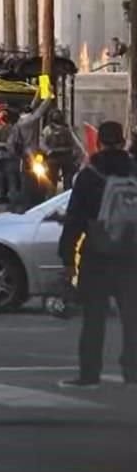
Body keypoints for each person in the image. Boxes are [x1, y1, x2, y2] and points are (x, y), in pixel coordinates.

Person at [58, 121, 137, 389]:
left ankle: (89, 373)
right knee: (132, 318)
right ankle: (132, 371)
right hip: (131, 255)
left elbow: (75, 220)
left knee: (94, 318)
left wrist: (68, 259)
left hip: (97, 254)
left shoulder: (89, 175)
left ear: (99, 143)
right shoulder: (134, 170)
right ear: (123, 142)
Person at [9, 97, 54, 209]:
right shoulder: (29, 121)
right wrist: (48, 98)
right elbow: (40, 111)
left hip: (24, 154)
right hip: (31, 154)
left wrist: (37, 95)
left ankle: (24, 201)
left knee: (26, 178)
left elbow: (33, 107)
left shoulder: (19, 122)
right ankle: (31, 201)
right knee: (33, 179)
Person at [42, 108, 79, 191]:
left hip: (64, 156)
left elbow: (73, 142)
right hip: (56, 156)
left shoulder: (65, 129)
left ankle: (62, 194)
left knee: (65, 180)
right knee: (53, 181)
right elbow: (42, 143)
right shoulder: (49, 129)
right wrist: (48, 151)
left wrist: (48, 151)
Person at [0, 109, 20, 206]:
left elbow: (16, 141)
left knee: (10, 177)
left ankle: (11, 197)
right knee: (1, 177)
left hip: (10, 156)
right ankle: (1, 196)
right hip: (0, 156)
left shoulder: (13, 129)